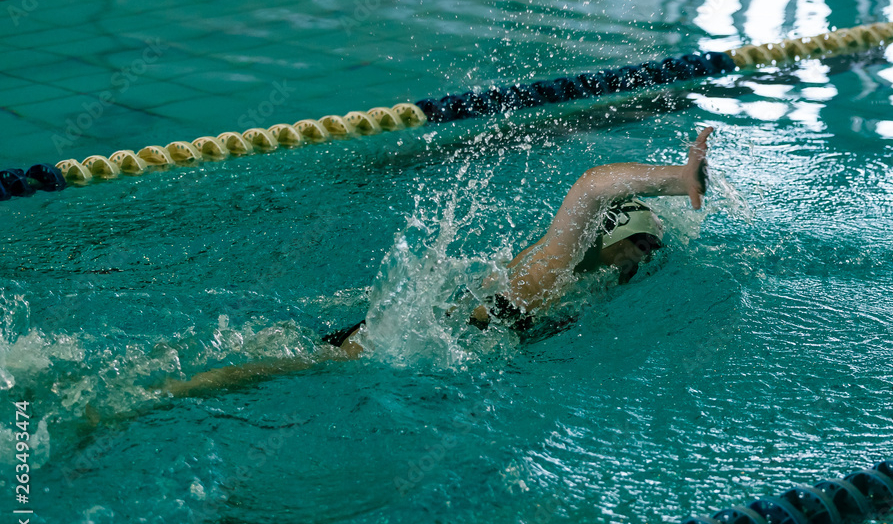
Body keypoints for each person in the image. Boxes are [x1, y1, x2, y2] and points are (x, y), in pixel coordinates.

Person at [158, 126, 713, 396]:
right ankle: (157, 397)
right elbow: (592, 188)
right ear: (611, 236)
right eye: (644, 243)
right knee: (286, 368)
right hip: (413, 337)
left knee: (290, 353)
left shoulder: (590, 279)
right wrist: (672, 179)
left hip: (433, 336)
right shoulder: (557, 264)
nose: (649, 255)